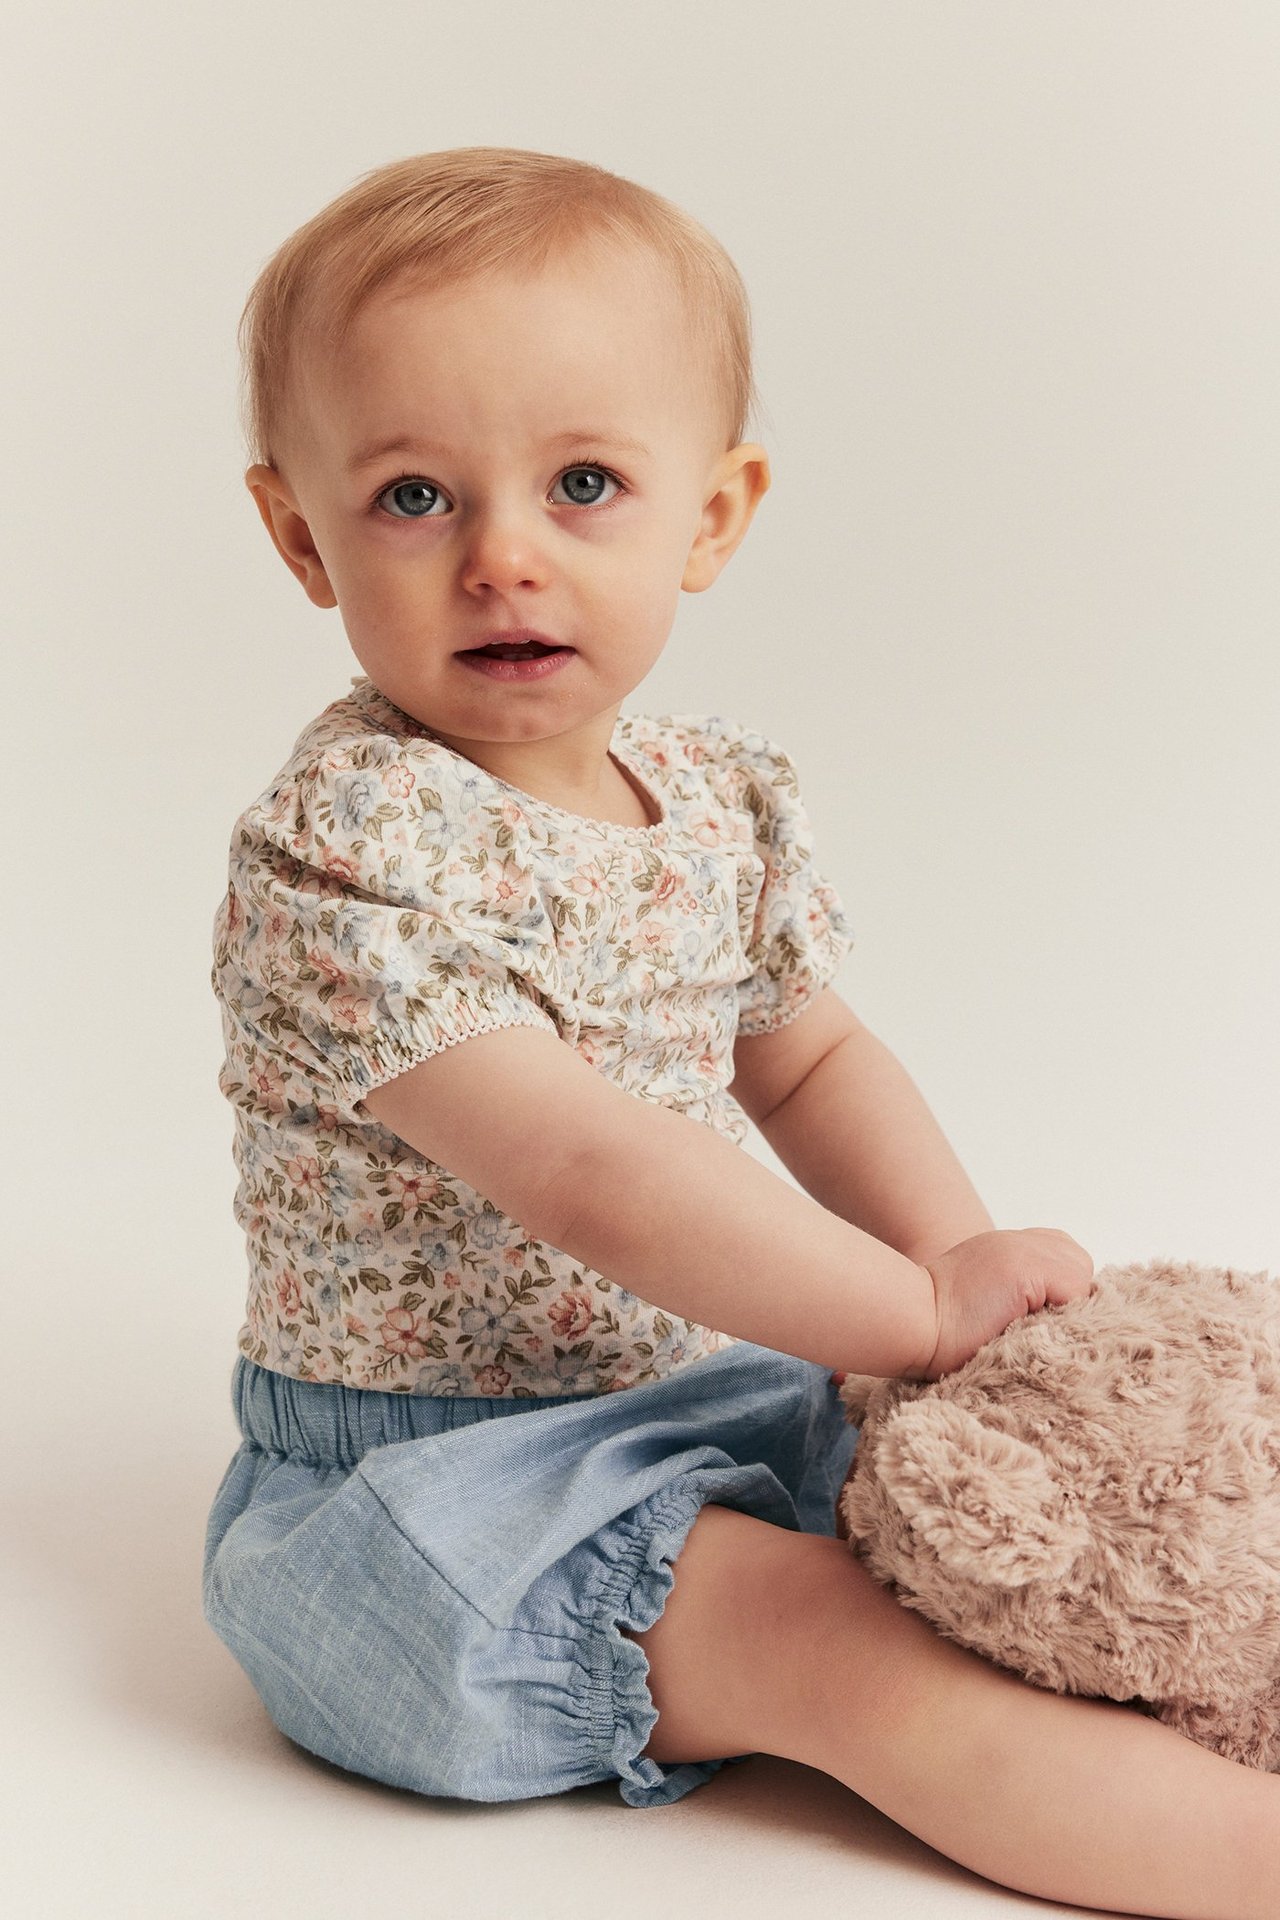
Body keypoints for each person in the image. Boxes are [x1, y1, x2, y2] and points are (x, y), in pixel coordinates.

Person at [203, 147, 1279, 1917]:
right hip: (435, 1502)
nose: (502, 557)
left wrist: (952, 1279)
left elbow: (815, 1056)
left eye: (584, 482)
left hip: (709, 1391)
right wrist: (908, 1313)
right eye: (412, 496)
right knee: (853, 1651)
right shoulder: (347, 856)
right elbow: (590, 1171)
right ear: (300, 533)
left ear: (709, 515)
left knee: (1075, 1528)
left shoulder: (715, 798)